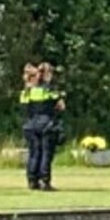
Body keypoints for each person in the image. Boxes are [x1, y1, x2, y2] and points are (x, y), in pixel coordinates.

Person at [19, 63, 64, 191]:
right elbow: (61, 105)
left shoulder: (27, 90)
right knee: (46, 153)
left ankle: (32, 180)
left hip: (30, 124)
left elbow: (23, 107)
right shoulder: (49, 89)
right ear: (47, 74)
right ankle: (45, 180)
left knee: (34, 153)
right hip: (46, 124)